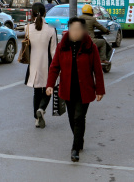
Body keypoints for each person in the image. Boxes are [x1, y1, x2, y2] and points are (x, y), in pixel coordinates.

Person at [46, 17, 105, 163]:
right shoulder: (62, 46)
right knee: (72, 117)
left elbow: (97, 70)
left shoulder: (90, 47)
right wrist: (50, 84)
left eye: (78, 29)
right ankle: (79, 139)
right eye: (73, 29)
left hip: (85, 89)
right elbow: (54, 67)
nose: (75, 32)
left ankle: (75, 148)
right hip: (68, 88)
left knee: (79, 117)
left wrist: (100, 90)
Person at [25, 2, 57, 129]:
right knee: (49, 89)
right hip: (47, 64)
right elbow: (54, 51)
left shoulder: (27, 28)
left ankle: (37, 119)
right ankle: (42, 109)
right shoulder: (51, 30)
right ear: (45, 13)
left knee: (36, 91)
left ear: (32, 14)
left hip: (33, 64)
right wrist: (58, 69)